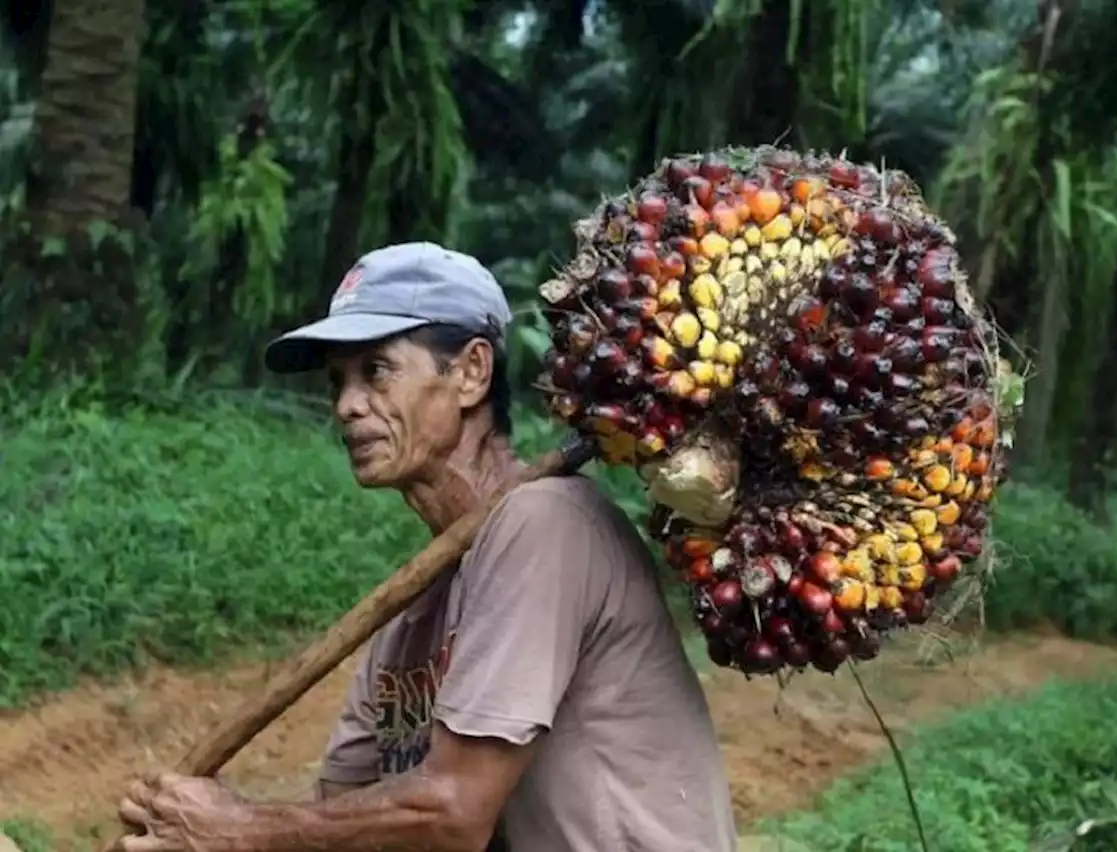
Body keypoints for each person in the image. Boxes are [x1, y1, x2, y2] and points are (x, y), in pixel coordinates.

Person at [114, 242, 738, 852]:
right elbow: (337, 822)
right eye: (338, 382)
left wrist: (240, 829)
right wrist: (189, 830)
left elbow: (454, 812)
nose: (346, 406)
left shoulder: (547, 524)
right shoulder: (409, 616)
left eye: (376, 371)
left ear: (470, 372)